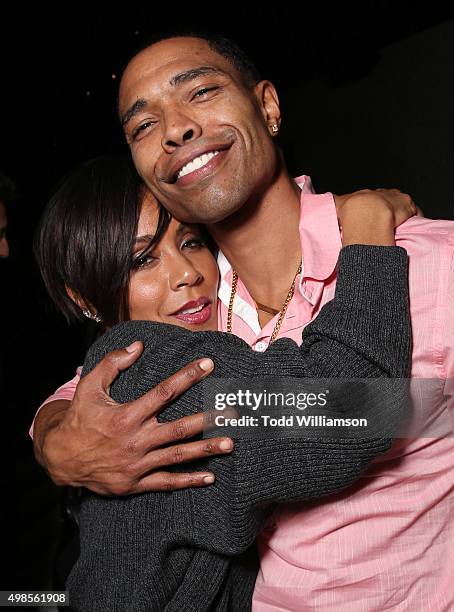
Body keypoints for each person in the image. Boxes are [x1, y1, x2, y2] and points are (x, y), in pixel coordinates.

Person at [33, 32, 454, 610]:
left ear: (269, 106)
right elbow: (353, 409)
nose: (175, 128)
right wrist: (58, 440)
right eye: (142, 126)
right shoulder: (182, 325)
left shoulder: (434, 263)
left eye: (201, 91)